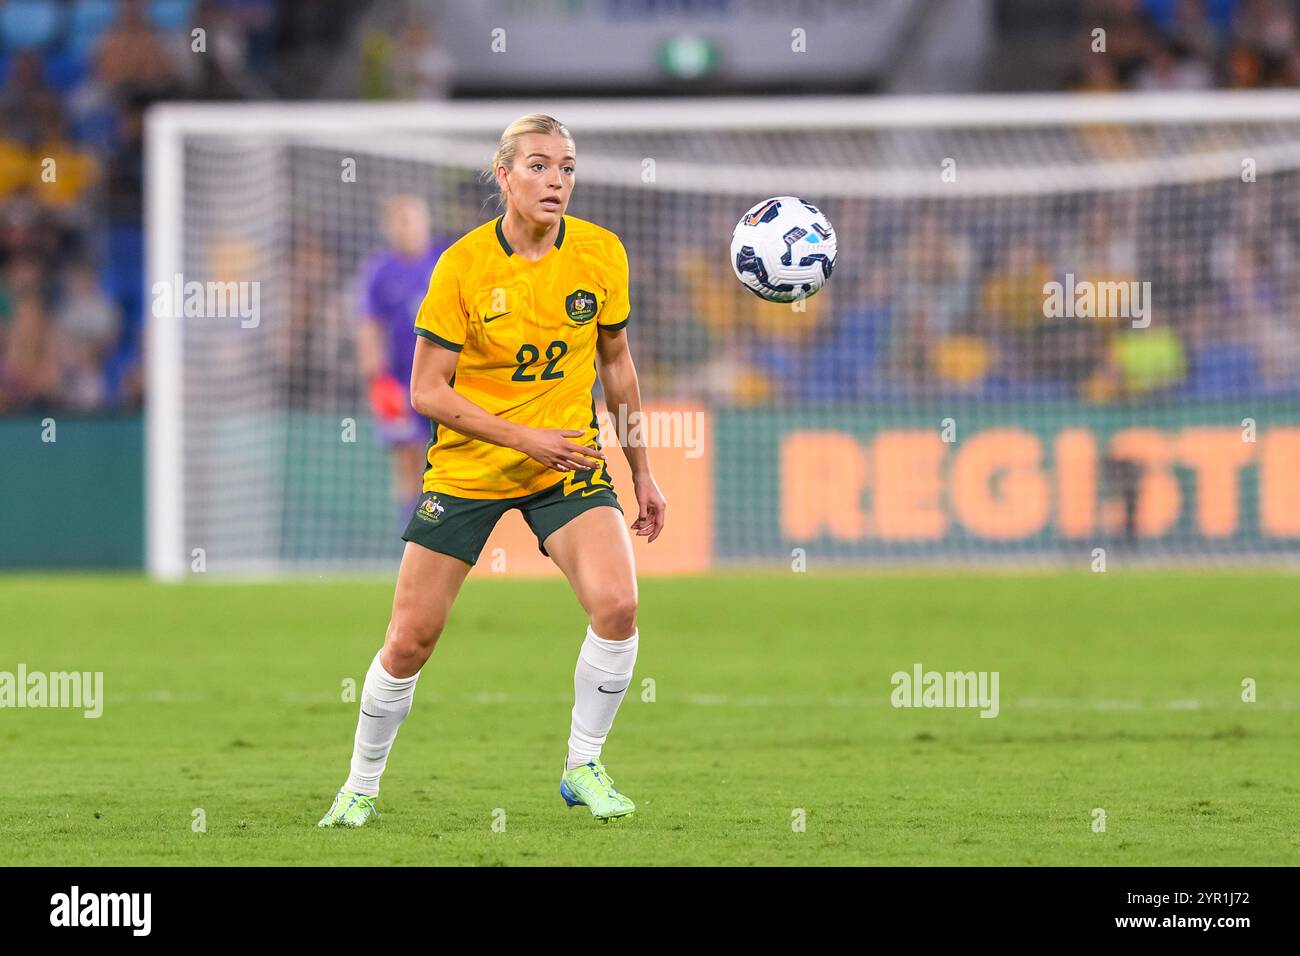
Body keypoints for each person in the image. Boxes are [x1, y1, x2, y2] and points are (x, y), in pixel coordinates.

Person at [319, 114, 666, 827]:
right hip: (469, 470)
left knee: (619, 605)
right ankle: (359, 784)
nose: (557, 181)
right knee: (410, 639)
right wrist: (521, 436)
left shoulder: (601, 254)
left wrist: (643, 471)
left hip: (565, 464)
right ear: (503, 176)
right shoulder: (463, 266)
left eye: (567, 167)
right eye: (539, 166)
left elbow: (618, 367)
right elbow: (426, 393)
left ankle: (584, 764)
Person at [356, 195, 446, 519]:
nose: (408, 227)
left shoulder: (445, 260)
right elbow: (369, 328)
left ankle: (447, 541)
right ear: (389, 227)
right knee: (408, 461)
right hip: (400, 384)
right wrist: (377, 382)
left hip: (446, 382)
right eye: (400, 221)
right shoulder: (379, 273)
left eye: (413, 218)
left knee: (449, 460)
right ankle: (411, 540)